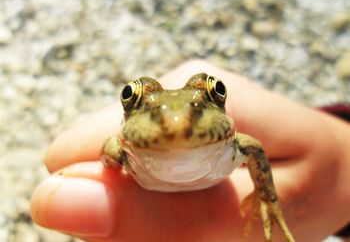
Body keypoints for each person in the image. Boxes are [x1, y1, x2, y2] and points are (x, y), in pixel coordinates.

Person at [30, 60, 350, 242]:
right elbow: (111, 150)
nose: (177, 123)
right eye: (133, 99)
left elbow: (253, 147)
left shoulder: (241, 145)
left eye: (215, 94)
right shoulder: (121, 147)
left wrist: (267, 195)